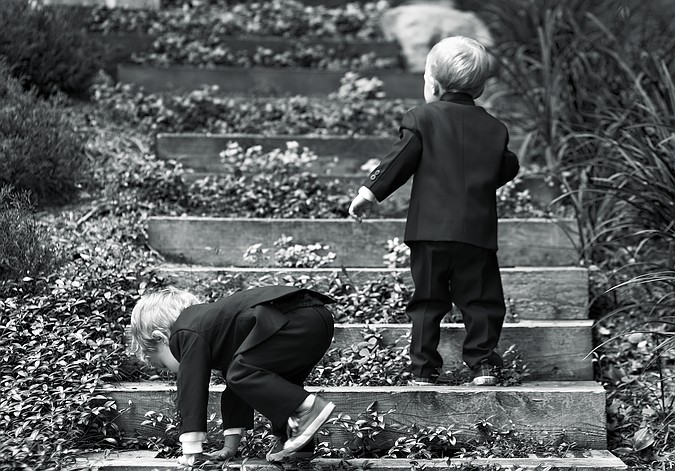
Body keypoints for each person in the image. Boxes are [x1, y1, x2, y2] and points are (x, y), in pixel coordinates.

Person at [348, 36, 520, 387]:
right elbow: (504, 167)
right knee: (482, 300)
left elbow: (400, 159)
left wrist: (369, 191)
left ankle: (424, 368)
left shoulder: (421, 119)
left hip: (429, 232)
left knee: (428, 300)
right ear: (482, 87)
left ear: (433, 85)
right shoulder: (494, 128)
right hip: (476, 232)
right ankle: (483, 365)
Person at [129, 285, 336, 466]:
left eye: (163, 364)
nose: (173, 371)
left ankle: (308, 408)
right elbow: (236, 390)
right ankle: (298, 445)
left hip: (291, 319)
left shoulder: (184, 332)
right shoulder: (216, 329)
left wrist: (191, 449)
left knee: (240, 372)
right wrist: (230, 446)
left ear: (162, 339)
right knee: (271, 379)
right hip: (316, 318)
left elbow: (191, 388)